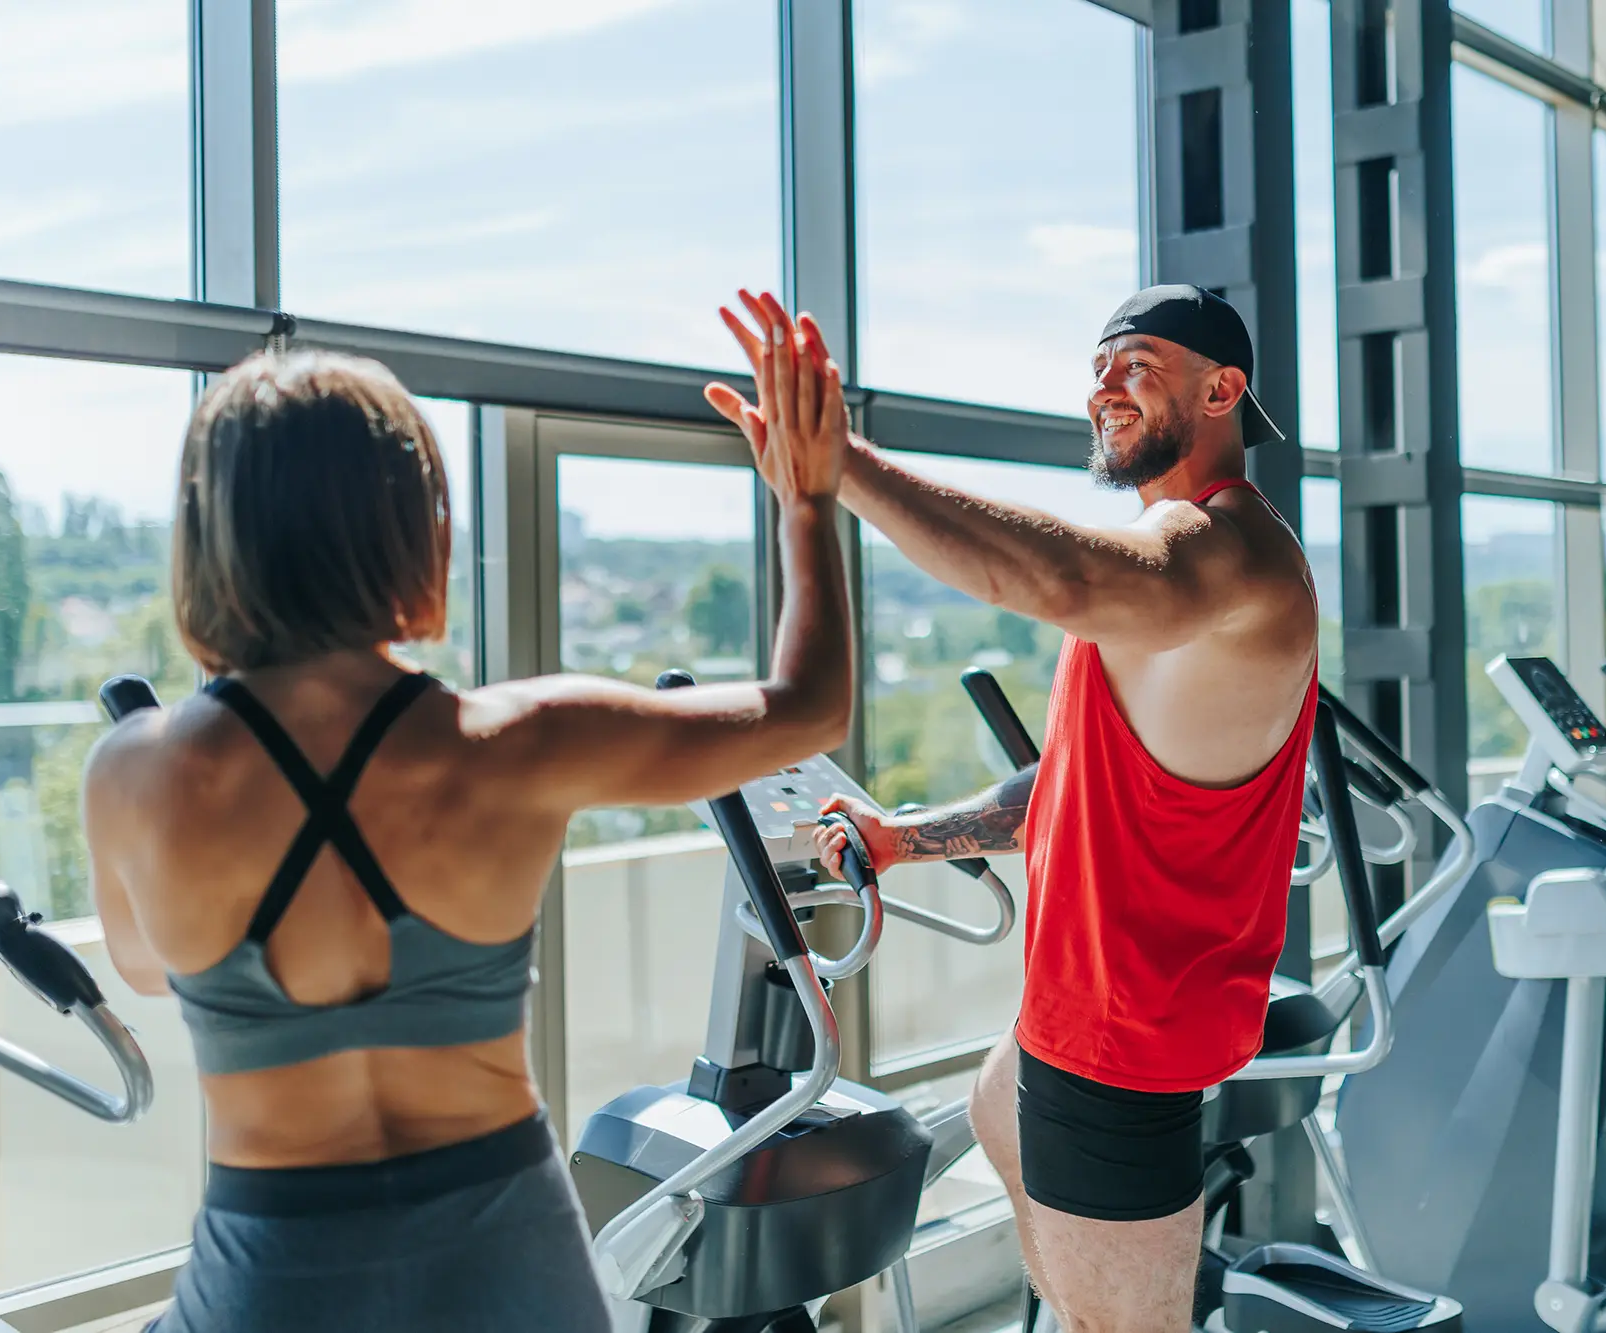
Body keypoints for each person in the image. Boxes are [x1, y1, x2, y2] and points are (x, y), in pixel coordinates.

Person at [82, 292, 852, 1333]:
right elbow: (809, 706)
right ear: (411, 527)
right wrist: (805, 501)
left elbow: (142, 969)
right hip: (509, 1267)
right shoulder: (520, 739)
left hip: (275, 1275)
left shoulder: (133, 772)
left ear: (209, 533)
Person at [774, 285, 1320, 1333]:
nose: (1102, 387)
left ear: (1222, 389)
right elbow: (1068, 778)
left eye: (1136, 364)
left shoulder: (1224, 557)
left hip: (1123, 1044)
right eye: (1096, 366)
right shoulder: (1171, 580)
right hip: (1084, 1023)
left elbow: (1059, 574)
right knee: (994, 1100)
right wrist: (904, 839)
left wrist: (840, 468)